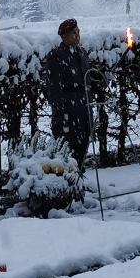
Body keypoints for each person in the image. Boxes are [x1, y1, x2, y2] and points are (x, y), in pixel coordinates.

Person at [43, 18, 91, 172]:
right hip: (68, 113)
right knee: (69, 151)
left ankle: (80, 180)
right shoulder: (56, 56)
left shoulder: (82, 53)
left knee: (83, 146)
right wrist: (62, 113)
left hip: (84, 110)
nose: (77, 36)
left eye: (78, 32)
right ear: (64, 36)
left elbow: (87, 79)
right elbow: (54, 89)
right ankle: (72, 183)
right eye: (73, 33)